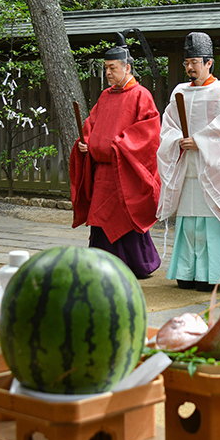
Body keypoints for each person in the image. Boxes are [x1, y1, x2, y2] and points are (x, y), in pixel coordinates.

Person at [157, 32, 220, 291]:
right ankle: (187, 269)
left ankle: (216, 272)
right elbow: (168, 126)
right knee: (189, 223)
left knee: (212, 223)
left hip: (214, 172)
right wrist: (177, 139)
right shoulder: (180, 93)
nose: (189, 67)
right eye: (186, 62)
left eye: (195, 62)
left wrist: (200, 141)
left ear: (209, 63)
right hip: (188, 167)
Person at [70, 31, 161, 278]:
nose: (108, 73)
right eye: (106, 68)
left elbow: (148, 132)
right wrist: (84, 142)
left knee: (128, 215)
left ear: (127, 68)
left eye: (112, 68)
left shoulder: (141, 95)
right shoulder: (105, 95)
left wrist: (117, 146)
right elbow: (91, 124)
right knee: (99, 219)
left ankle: (138, 264)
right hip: (103, 172)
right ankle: (101, 265)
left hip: (124, 171)